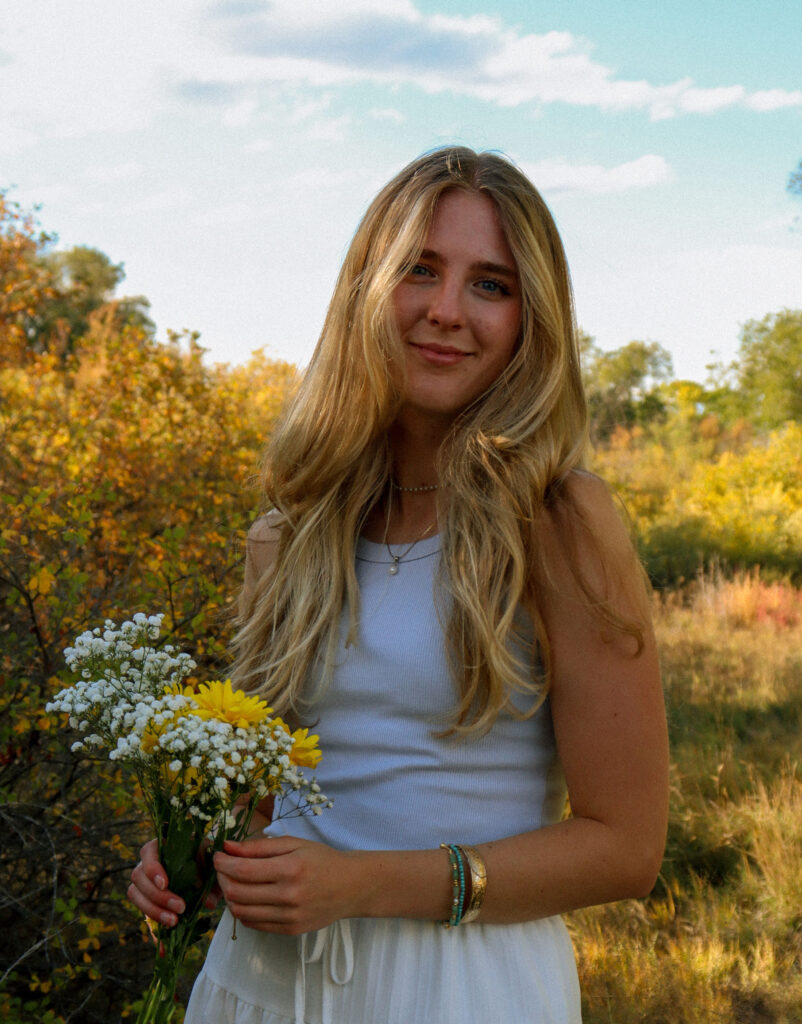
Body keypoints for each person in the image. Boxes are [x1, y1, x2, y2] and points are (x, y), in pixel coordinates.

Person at [129, 146, 669, 1023]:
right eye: (419, 269)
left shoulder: (560, 522)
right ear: (366, 288)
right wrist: (188, 853)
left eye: (491, 284)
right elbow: (275, 792)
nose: (446, 311)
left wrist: (361, 885)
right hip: (259, 984)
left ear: (532, 320)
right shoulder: (289, 530)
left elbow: (625, 850)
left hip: (457, 986)